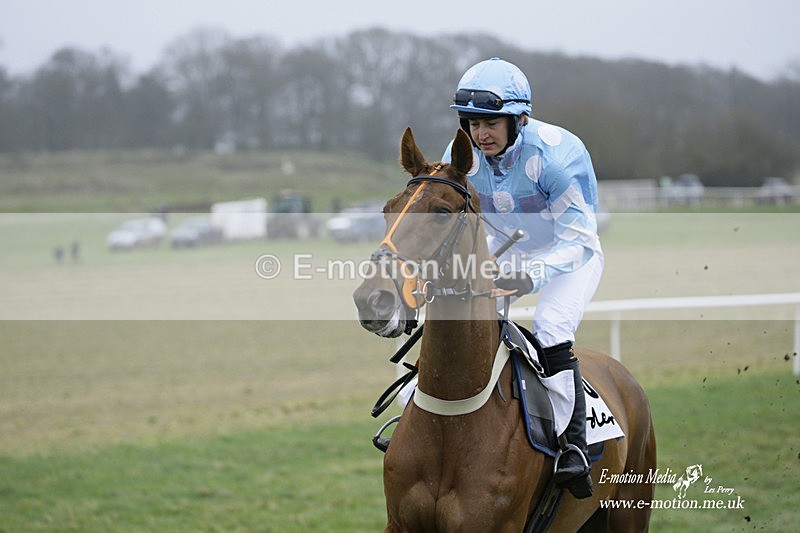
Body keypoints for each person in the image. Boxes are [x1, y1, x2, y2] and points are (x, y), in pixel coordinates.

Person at [442, 57, 604, 499]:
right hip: (504, 250)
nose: (480, 134)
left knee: (550, 329)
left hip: (570, 254)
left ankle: (574, 445)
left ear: (520, 118)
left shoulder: (557, 155)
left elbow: (580, 241)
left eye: (491, 122)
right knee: (458, 322)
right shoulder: (461, 157)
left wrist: (529, 276)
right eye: (471, 123)